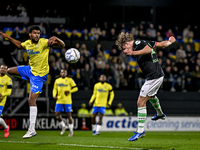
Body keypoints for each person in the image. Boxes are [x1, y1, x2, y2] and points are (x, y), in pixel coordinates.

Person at [0, 25, 65, 139]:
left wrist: (57, 39)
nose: (37, 35)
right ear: (30, 34)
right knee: (9, 70)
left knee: (31, 99)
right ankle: (27, 79)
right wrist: (8, 38)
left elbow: (62, 45)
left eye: (38, 33)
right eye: (35, 33)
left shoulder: (44, 42)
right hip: (30, 70)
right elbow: (20, 45)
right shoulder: (28, 43)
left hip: (39, 75)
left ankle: (32, 129)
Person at [116, 32, 176, 141]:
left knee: (140, 102)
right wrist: (169, 42)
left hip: (154, 76)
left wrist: (133, 52)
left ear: (126, 43)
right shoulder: (144, 42)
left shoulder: (138, 43)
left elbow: (148, 50)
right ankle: (160, 114)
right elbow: (161, 44)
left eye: (124, 47)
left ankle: (140, 131)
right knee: (152, 96)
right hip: (155, 75)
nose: (125, 50)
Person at [53, 69, 78, 136]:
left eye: (64, 72)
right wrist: (54, 95)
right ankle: (64, 126)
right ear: (60, 73)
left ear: (66, 74)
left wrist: (69, 91)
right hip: (59, 100)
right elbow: (55, 89)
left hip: (67, 101)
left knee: (69, 115)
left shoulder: (70, 80)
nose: (63, 73)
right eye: (62, 72)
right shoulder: (57, 80)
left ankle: (71, 131)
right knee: (57, 114)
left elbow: (76, 88)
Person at [0, 65, 12, 138]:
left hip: (1, 101)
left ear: (6, 70)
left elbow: (9, 92)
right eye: (2, 68)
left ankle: (6, 128)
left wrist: (2, 94)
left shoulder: (8, 79)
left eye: (5, 69)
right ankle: (6, 127)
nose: (3, 69)